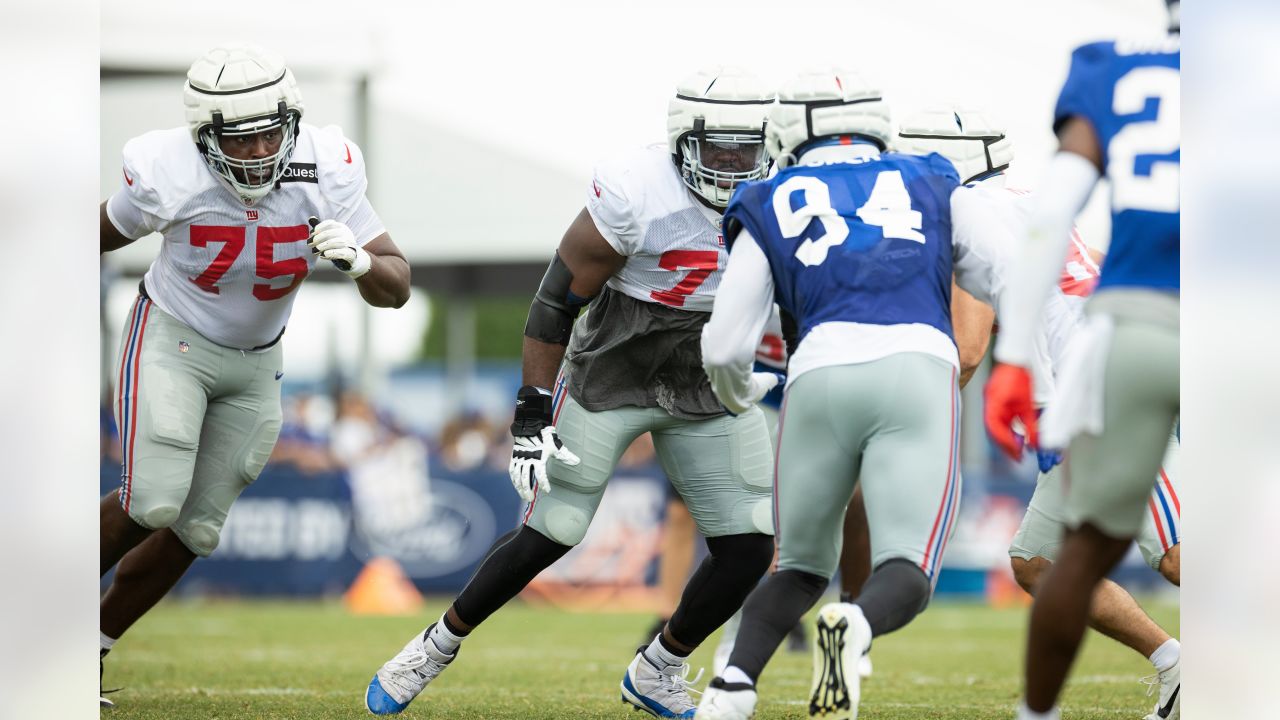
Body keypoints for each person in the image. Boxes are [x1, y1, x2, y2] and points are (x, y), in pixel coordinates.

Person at [364, 66, 779, 718]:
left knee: (752, 540)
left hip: (707, 371)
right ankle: (435, 646)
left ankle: (659, 667)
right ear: (683, 142)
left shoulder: (783, 192)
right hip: (616, 369)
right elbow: (555, 301)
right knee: (553, 529)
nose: (731, 165)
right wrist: (532, 406)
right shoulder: (637, 190)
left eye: (744, 149)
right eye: (716, 148)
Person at [98, 44, 410, 707]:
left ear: (292, 122)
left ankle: (88, 647)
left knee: (197, 527)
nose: (259, 151)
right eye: (239, 140)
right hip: (172, 337)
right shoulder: (167, 169)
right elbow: (95, 232)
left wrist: (359, 263)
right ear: (203, 137)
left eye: (270, 132)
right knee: (152, 496)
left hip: (258, 358)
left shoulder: (327, 166)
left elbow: (397, 285)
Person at [694, 68, 1005, 720]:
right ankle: (856, 629)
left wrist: (740, 391)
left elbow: (724, 345)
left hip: (818, 373)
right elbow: (1002, 269)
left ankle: (730, 689)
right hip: (916, 367)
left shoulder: (768, 195)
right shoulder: (931, 175)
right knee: (908, 570)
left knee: (798, 567)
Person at [898, 104, 1182, 718]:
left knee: (1179, 555)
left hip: (1111, 383)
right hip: (1096, 374)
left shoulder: (969, 211)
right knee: (1038, 563)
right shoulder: (1019, 193)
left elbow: (969, 349)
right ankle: (1177, 665)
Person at [982, 2, 1181, 718]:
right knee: (1043, 560)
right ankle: (1179, 664)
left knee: (1104, 548)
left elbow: (1055, 211)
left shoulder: (1115, 67)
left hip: (1135, 322)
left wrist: (1011, 362)